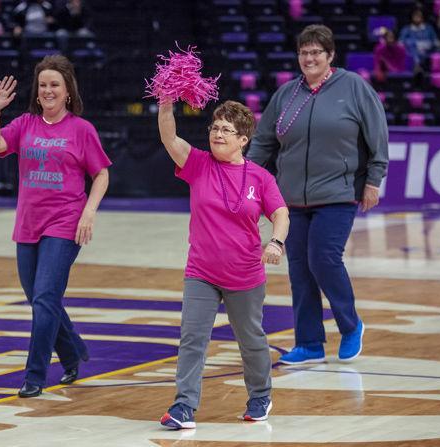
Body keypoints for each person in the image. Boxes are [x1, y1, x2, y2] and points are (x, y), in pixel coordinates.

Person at [247, 24, 389, 365]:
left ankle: (351, 325)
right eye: (304, 52)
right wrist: (245, 177)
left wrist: (374, 179)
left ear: (330, 56)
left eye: (316, 53)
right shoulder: (287, 94)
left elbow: (377, 135)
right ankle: (309, 343)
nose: (309, 58)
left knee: (323, 259)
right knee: (299, 268)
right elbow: (264, 140)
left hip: (338, 192)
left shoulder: (353, 87)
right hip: (291, 198)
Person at [0, 55, 111, 398]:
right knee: (41, 298)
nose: (48, 90)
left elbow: (101, 173)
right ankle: (72, 353)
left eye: (55, 84)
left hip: (66, 222)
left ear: (68, 90)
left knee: (44, 298)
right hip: (28, 223)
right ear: (37, 93)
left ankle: (34, 376)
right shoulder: (24, 124)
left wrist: (88, 212)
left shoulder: (82, 130)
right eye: (43, 85)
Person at [157, 98, 289, 429]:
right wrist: (165, 108)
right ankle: (184, 405)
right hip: (201, 271)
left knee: (251, 340)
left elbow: (281, 213)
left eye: (226, 130)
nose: (217, 134)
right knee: (192, 337)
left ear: (243, 139)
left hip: (245, 273)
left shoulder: (260, 177)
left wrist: (275, 241)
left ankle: (260, 395)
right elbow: (170, 140)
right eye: (214, 127)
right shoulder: (198, 164)